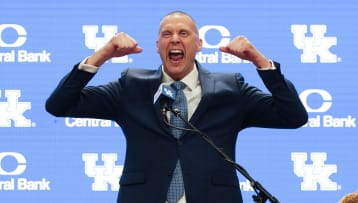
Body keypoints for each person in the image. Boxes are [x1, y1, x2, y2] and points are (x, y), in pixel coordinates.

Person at [46, 11, 308, 203]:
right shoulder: (131, 86)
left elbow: (293, 116)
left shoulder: (230, 88)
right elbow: (59, 105)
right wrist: (102, 55)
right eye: (166, 34)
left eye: (184, 33)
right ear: (158, 46)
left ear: (198, 44)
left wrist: (259, 61)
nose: (174, 39)